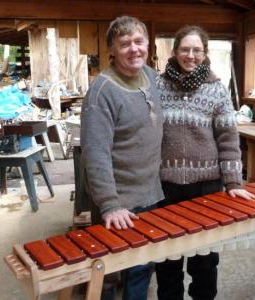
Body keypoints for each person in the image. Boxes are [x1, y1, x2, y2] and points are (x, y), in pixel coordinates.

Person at [155, 25, 255, 300]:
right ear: (175, 52)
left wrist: (233, 181)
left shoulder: (217, 89)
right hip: (165, 187)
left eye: (197, 50)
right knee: (167, 258)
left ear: (205, 53)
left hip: (207, 188)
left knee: (205, 260)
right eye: (185, 49)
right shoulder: (157, 86)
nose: (191, 55)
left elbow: (228, 139)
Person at [80, 16, 164, 300]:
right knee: (113, 268)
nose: (134, 49)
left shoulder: (151, 76)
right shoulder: (102, 92)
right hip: (121, 200)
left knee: (143, 265)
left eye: (139, 41)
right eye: (125, 43)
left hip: (151, 190)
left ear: (148, 45)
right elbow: (95, 153)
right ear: (112, 50)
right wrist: (110, 205)